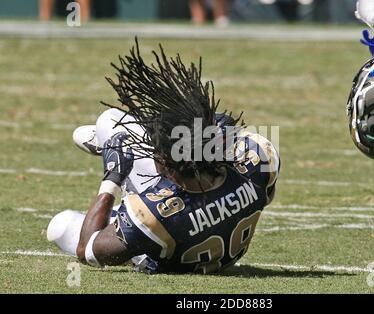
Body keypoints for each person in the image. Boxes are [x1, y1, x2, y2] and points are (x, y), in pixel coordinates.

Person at [47, 38, 280, 274]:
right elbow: (265, 197)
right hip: (215, 236)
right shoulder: (258, 157)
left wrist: (112, 178)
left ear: (170, 165)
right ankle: (116, 149)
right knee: (109, 122)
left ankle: (119, 163)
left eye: (156, 150)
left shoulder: (153, 214)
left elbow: (87, 249)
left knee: (61, 225)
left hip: (165, 242)